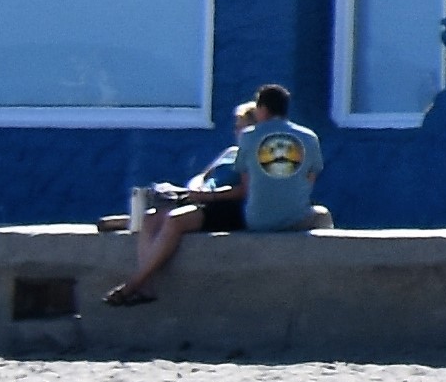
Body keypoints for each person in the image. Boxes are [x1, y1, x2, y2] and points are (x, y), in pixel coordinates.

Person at [106, 86, 326, 305]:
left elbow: (245, 189)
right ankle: (142, 283)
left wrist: (204, 196)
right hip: (279, 211)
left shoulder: (251, 139)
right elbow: (309, 180)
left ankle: (136, 283)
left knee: (173, 218)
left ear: (262, 110)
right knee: (153, 216)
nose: (237, 131)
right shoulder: (308, 137)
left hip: (240, 211)